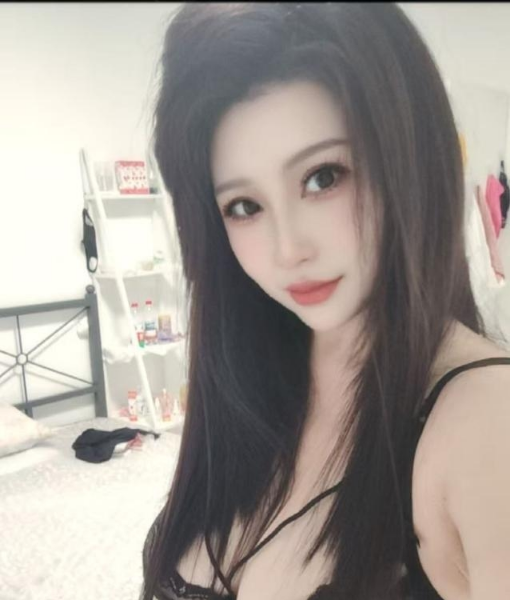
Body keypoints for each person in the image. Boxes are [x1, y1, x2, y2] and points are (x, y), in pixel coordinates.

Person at [141, 4, 510, 600]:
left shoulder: (487, 421)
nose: (288, 249)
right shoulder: (252, 380)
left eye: (323, 177)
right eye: (244, 206)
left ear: (408, 159)